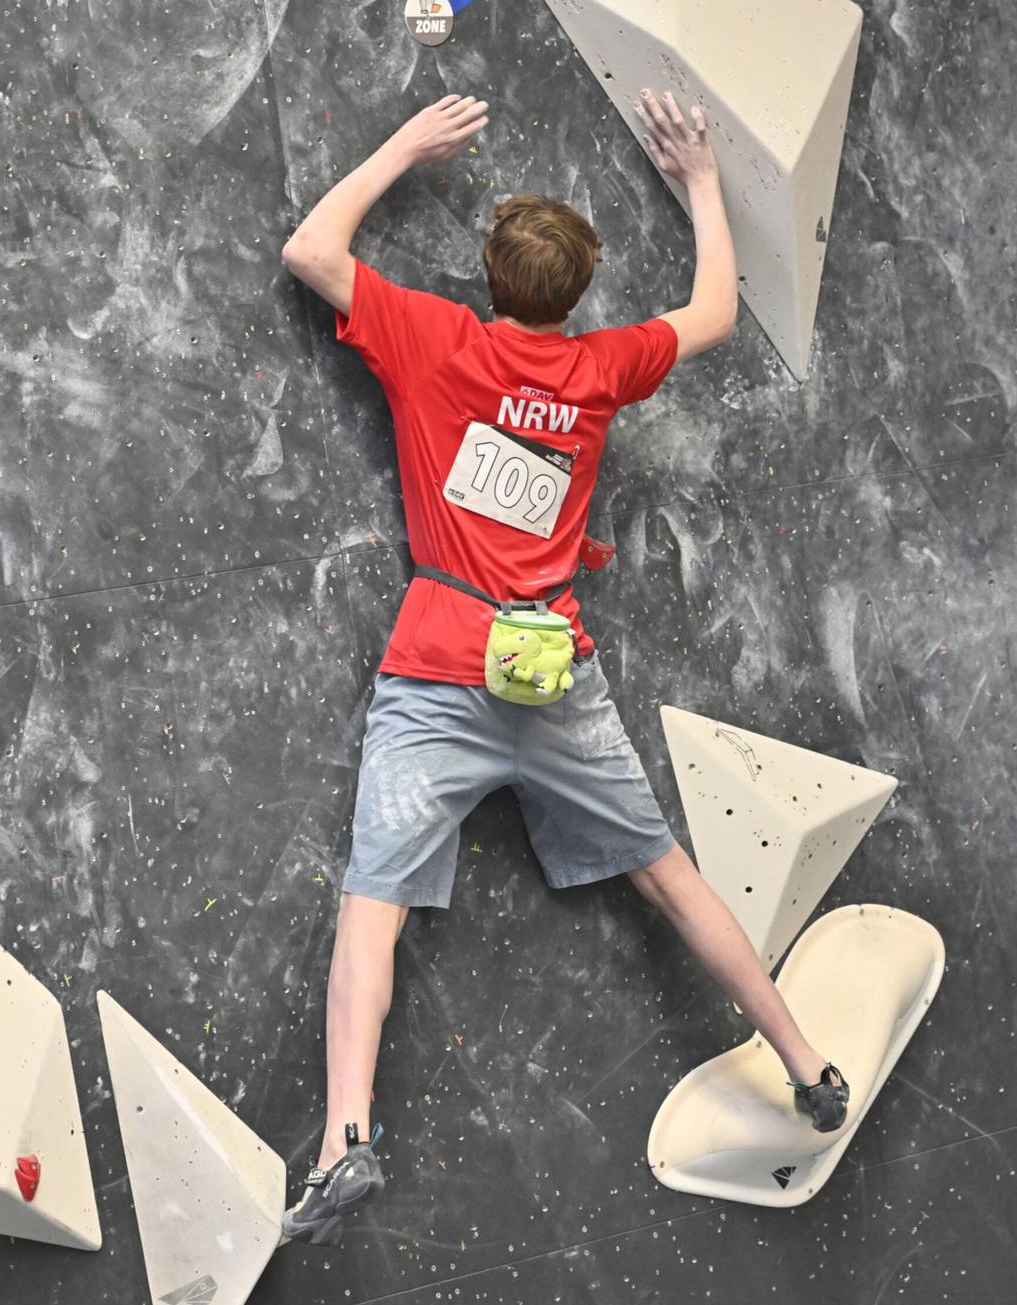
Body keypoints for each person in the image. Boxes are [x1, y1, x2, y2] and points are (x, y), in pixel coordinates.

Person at [277, 90, 848, 1247]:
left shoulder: (436, 339)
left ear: (489, 276)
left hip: (439, 662)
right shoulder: (599, 370)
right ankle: (808, 1061)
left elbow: (309, 249)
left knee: (372, 902)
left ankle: (345, 1136)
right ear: (577, 295)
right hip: (554, 673)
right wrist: (696, 177)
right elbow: (716, 313)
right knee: (671, 875)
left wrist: (407, 144)